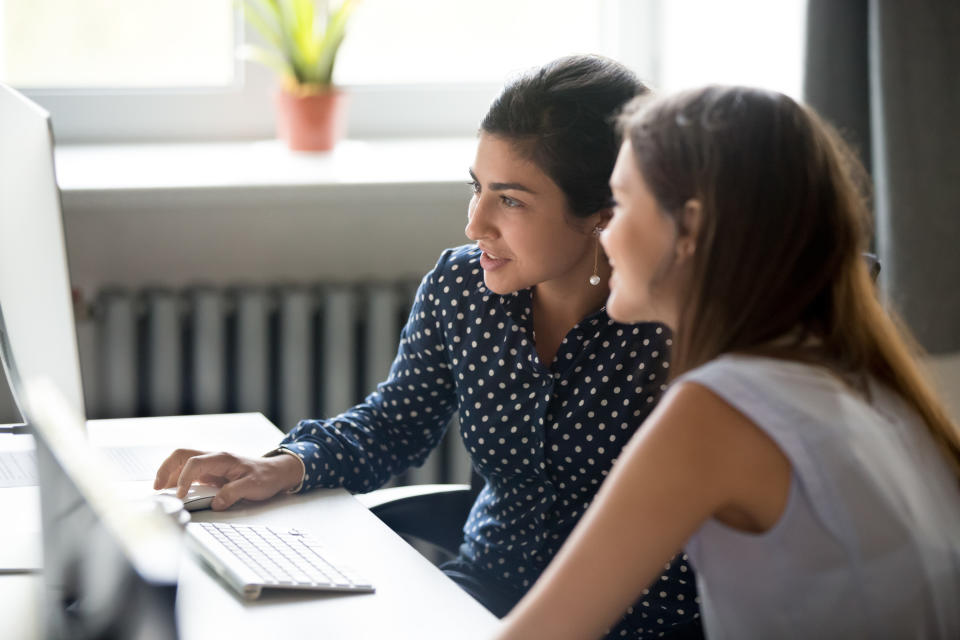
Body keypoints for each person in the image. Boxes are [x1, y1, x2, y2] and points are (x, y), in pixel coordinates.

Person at [154, 55, 703, 638]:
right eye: (477, 188)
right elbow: (395, 423)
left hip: (641, 624)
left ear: (602, 214)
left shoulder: (672, 325)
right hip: (483, 594)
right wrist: (284, 466)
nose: (475, 224)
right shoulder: (463, 287)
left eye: (511, 200)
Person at [495, 85, 960, 640]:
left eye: (621, 203)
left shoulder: (715, 413)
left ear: (688, 229)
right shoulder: (862, 384)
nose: (606, 231)